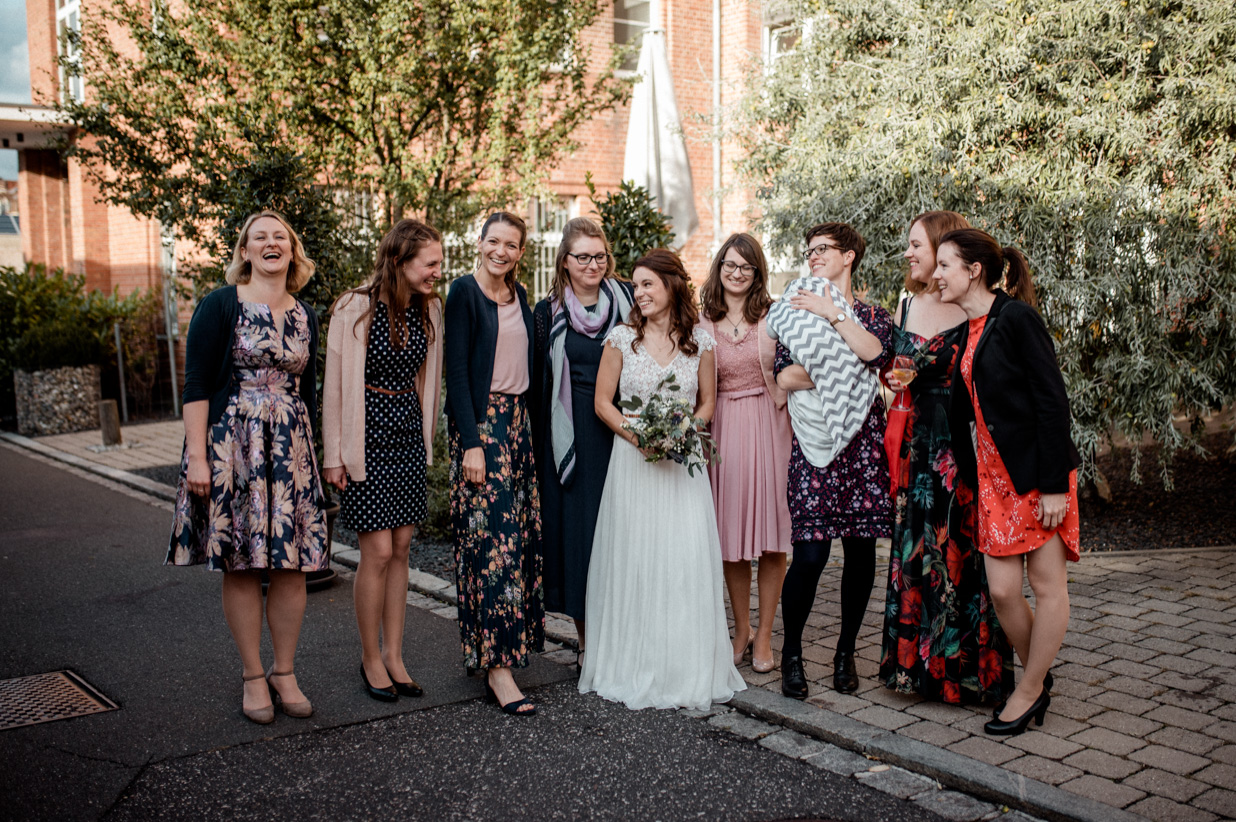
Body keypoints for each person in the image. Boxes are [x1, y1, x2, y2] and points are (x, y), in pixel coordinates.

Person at [166, 210, 327, 724]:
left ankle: (285, 671)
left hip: (290, 449)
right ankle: (253, 675)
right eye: (260, 237)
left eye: (280, 236)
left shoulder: (307, 315)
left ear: (292, 251)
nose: (270, 243)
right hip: (233, 447)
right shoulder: (220, 305)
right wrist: (196, 458)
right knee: (242, 561)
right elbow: (195, 385)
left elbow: (310, 391)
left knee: (292, 562)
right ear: (245, 252)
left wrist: (314, 459)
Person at [580, 249, 746, 710]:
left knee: (681, 559)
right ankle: (632, 661)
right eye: (636, 285)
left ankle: (683, 664)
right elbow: (603, 403)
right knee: (636, 557)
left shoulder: (700, 341)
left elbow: (708, 402)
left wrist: (681, 431)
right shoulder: (621, 338)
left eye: (648, 284)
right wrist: (640, 437)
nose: (641, 293)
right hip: (633, 463)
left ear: (673, 285)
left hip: (682, 464)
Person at [934, 227, 1081, 736]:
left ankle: (1028, 688)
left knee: (1047, 586)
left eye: (944, 265)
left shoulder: (1016, 318)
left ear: (973, 270)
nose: (936, 274)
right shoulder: (966, 330)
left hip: (1036, 475)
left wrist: (1056, 484)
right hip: (994, 482)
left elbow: (1050, 400)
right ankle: (1038, 675)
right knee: (1002, 593)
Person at [879, 212, 1014, 704]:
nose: (909, 254)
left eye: (916, 244)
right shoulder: (906, 303)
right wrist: (892, 381)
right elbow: (896, 371)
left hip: (958, 450)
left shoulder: (974, 310)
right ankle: (919, 672)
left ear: (942, 249)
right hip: (915, 449)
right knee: (917, 549)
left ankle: (966, 673)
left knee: (958, 553)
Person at [768, 222, 893, 700]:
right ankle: (793, 655)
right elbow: (787, 376)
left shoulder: (871, 315)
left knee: (862, 553)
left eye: (824, 249)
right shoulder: (794, 312)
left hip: (863, 445)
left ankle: (845, 653)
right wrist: (846, 359)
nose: (814, 256)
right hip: (814, 444)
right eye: (810, 250)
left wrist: (834, 316)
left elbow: (878, 355)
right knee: (812, 556)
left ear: (849, 257)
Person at [321, 219, 444, 703]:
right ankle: (370, 657)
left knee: (403, 548)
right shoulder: (354, 307)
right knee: (376, 553)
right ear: (399, 261)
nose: (438, 271)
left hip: (408, 435)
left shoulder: (429, 308)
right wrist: (334, 455)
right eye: (430, 263)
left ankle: (395, 655)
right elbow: (333, 387)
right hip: (366, 438)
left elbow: (427, 380)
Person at [443, 211, 544, 716]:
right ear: (479, 242)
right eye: (494, 242)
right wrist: (470, 443)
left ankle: (508, 650)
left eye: (512, 245)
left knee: (516, 542)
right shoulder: (463, 293)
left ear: (521, 252)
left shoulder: (520, 296)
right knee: (490, 549)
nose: (501, 251)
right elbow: (456, 373)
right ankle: (497, 669)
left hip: (518, 427)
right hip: (483, 427)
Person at [530, 218, 634, 669]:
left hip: (623, 432)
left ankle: (627, 640)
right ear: (565, 263)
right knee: (581, 540)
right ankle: (590, 645)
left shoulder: (630, 300)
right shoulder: (545, 313)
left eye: (600, 256)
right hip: (570, 435)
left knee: (627, 537)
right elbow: (537, 385)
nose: (593, 264)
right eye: (583, 257)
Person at [697, 233, 792, 674]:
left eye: (746, 268)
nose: (737, 274)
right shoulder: (703, 322)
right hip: (724, 431)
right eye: (730, 266)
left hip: (770, 425)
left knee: (773, 538)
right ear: (719, 269)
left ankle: (766, 635)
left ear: (757, 274)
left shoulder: (774, 316)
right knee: (731, 540)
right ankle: (740, 629)